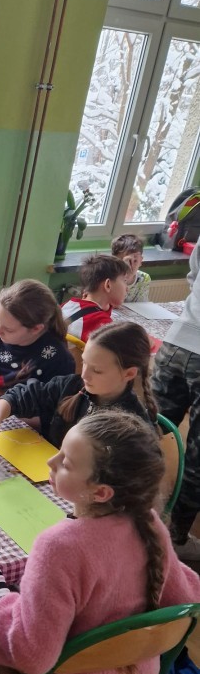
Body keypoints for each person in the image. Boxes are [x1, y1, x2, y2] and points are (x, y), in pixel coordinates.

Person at [0, 411, 200, 674]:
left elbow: (31, 655)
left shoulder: (57, 547)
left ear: (101, 493)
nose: (50, 462)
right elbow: (186, 596)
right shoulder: (149, 522)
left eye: (66, 463)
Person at [0, 321, 156, 449]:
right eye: (84, 363)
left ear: (129, 373)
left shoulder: (133, 429)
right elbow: (19, 396)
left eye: (97, 370)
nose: (84, 374)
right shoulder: (71, 386)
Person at [151, 238, 200, 561]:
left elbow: (194, 275)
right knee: (197, 457)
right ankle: (175, 538)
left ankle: (128, 520)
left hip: (178, 340)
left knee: (146, 433)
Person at [61, 254, 130, 342]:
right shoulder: (103, 326)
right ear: (108, 285)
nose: (127, 288)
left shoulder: (68, 305)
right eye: (124, 281)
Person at [111, 233, 151, 302]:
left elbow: (141, 304)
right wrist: (124, 278)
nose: (129, 265)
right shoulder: (109, 277)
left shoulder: (144, 278)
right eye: (123, 261)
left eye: (135, 261)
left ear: (140, 261)